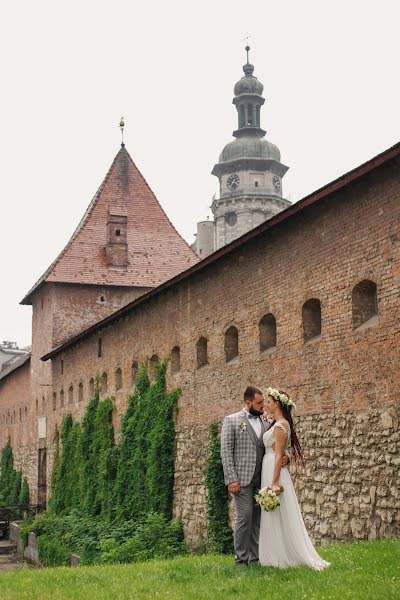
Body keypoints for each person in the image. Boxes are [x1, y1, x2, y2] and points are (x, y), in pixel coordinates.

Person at [259, 387, 330, 570]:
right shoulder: (276, 422)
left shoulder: (281, 426)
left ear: (276, 403)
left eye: (268, 401)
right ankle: (274, 554)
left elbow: (277, 455)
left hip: (273, 469)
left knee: (279, 512)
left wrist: (274, 483)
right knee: (273, 514)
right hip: (269, 466)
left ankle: (282, 556)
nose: (265, 405)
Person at [220, 386, 289, 566]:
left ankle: (255, 557)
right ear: (248, 403)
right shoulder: (232, 421)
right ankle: (241, 559)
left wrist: (286, 457)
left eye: (263, 402)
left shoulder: (266, 422)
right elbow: (226, 451)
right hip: (241, 480)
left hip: (262, 478)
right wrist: (231, 479)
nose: (263, 406)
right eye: (259, 403)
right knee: (245, 516)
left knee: (258, 519)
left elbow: (276, 443)